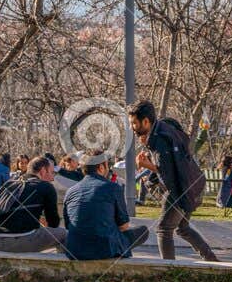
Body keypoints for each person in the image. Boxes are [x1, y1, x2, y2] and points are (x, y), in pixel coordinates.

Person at [127, 100, 219, 261]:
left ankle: (168, 268)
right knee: (182, 227)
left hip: (180, 188)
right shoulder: (164, 127)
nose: (132, 128)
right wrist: (149, 146)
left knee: (164, 230)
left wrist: (146, 165)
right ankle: (212, 260)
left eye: (134, 123)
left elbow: (167, 172)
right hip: (194, 182)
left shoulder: (160, 139)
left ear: (146, 121)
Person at [61, 157, 149, 260]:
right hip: (104, 249)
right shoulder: (113, 187)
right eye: (107, 166)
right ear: (101, 167)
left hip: (74, 250)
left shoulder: (71, 191)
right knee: (143, 231)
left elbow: (68, 225)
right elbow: (124, 226)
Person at [0, 155, 66, 252]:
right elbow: (53, 223)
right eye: (51, 173)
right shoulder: (46, 187)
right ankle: (61, 266)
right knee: (65, 234)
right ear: (42, 171)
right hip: (19, 240)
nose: (52, 178)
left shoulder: (10, 183)